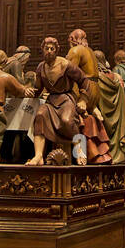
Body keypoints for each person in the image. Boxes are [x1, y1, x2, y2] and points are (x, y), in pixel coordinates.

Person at [29, 35, 91, 165]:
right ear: (42, 50)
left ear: (57, 50)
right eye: (47, 48)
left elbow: (84, 81)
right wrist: (28, 91)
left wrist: (83, 100)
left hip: (66, 99)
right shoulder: (41, 67)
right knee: (40, 116)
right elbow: (38, 89)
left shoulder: (66, 65)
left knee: (67, 120)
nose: (49, 51)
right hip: (51, 101)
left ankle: (79, 150)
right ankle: (38, 155)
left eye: (52, 48)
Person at [94, 49, 125, 164]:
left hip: (102, 117)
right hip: (117, 118)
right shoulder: (116, 77)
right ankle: (118, 155)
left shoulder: (95, 78)